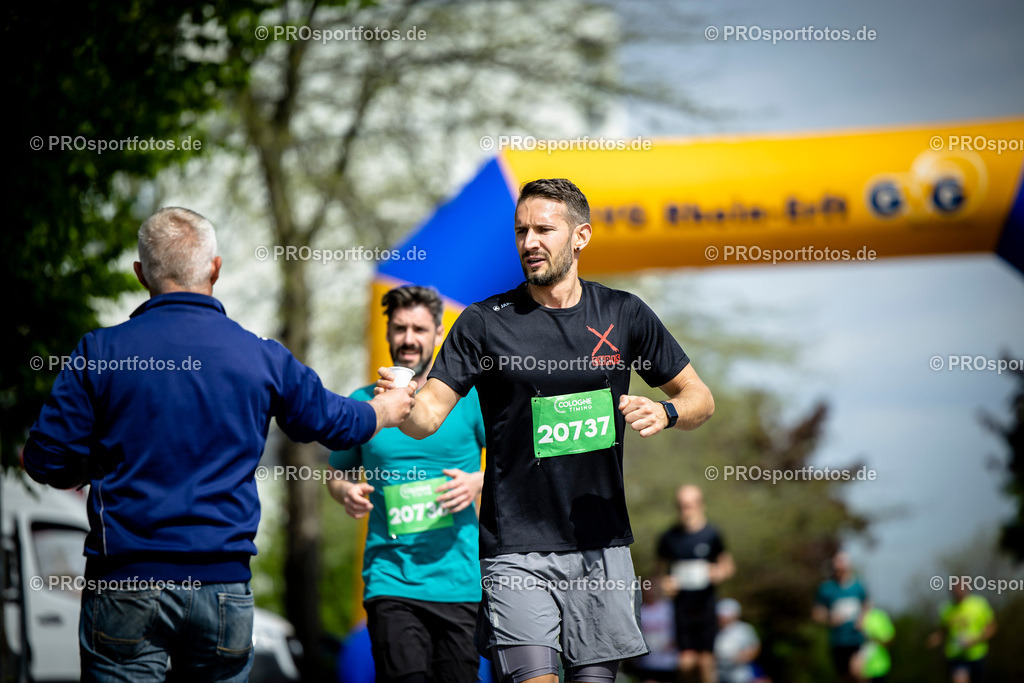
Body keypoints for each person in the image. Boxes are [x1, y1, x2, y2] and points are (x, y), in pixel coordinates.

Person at [22, 207, 414, 682]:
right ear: (215, 268)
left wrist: (95, 465)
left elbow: (46, 458)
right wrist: (386, 410)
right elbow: (335, 422)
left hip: (125, 579)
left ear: (141, 274)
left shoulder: (99, 352)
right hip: (223, 586)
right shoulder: (261, 357)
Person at [376, 178, 715, 683]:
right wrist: (399, 406)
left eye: (543, 229)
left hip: (601, 545)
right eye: (520, 231)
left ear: (581, 236)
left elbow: (700, 399)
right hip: (516, 548)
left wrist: (665, 412)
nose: (529, 242)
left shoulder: (623, 314)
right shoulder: (484, 322)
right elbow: (427, 416)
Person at [328, 285, 486, 683]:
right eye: (400, 328)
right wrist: (345, 490)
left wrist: (476, 482)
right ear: (387, 333)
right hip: (390, 579)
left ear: (438, 334)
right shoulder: (364, 404)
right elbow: (338, 471)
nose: (409, 339)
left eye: (419, 328)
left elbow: (516, 462)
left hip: (458, 583)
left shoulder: (470, 400)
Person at [657, 484, 736, 683]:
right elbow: (657, 574)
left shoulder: (712, 534)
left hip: (706, 604)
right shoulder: (669, 537)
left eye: (691, 505)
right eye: (682, 505)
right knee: (686, 661)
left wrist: (718, 572)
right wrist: (664, 584)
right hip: (681, 606)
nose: (686, 510)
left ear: (701, 505)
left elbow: (728, 566)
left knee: (706, 661)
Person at [813, 551, 870, 683]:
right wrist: (829, 619)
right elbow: (817, 612)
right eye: (838, 562)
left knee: (857, 672)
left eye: (844, 562)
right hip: (838, 640)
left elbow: (867, 605)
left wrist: (862, 619)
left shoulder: (858, 586)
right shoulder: (826, 589)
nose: (841, 566)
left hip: (857, 639)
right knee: (845, 677)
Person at [927, 583, 996, 683]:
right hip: (956, 655)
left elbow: (992, 627)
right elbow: (943, 631)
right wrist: (935, 638)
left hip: (977, 654)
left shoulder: (979, 604)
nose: (958, 591)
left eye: (961, 588)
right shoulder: (946, 609)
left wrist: (976, 640)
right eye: (956, 588)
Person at [623, 583, 679, 683]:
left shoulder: (668, 607)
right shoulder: (638, 611)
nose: (650, 592)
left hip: (669, 662)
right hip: (647, 663)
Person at [713, 598, 760, 683]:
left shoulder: (745, 629)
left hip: (740, 673)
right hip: (717, 672)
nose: (723, 618)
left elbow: (754, 648)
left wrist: (739, 658)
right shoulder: (712, 630)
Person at [852, 606, 894, 682]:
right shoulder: (851, 616)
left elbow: (889, 638)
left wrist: (872, 635)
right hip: (860, 668)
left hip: (879, 667)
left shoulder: (878, 616)